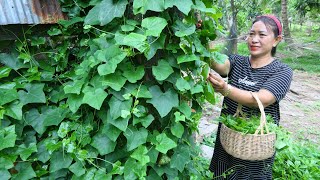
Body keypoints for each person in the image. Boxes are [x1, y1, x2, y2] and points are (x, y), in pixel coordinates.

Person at [207, 15, 293, 179]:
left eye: (262, 35)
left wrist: (226, 89)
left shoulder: (282, 71)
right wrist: (202, 38)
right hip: (228, 138)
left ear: (276, 40)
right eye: (251, 34)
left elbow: (261, 99)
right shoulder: (237, 61)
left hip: (255, 145)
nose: (254, 39)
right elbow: (220, 65)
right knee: (223, 174)